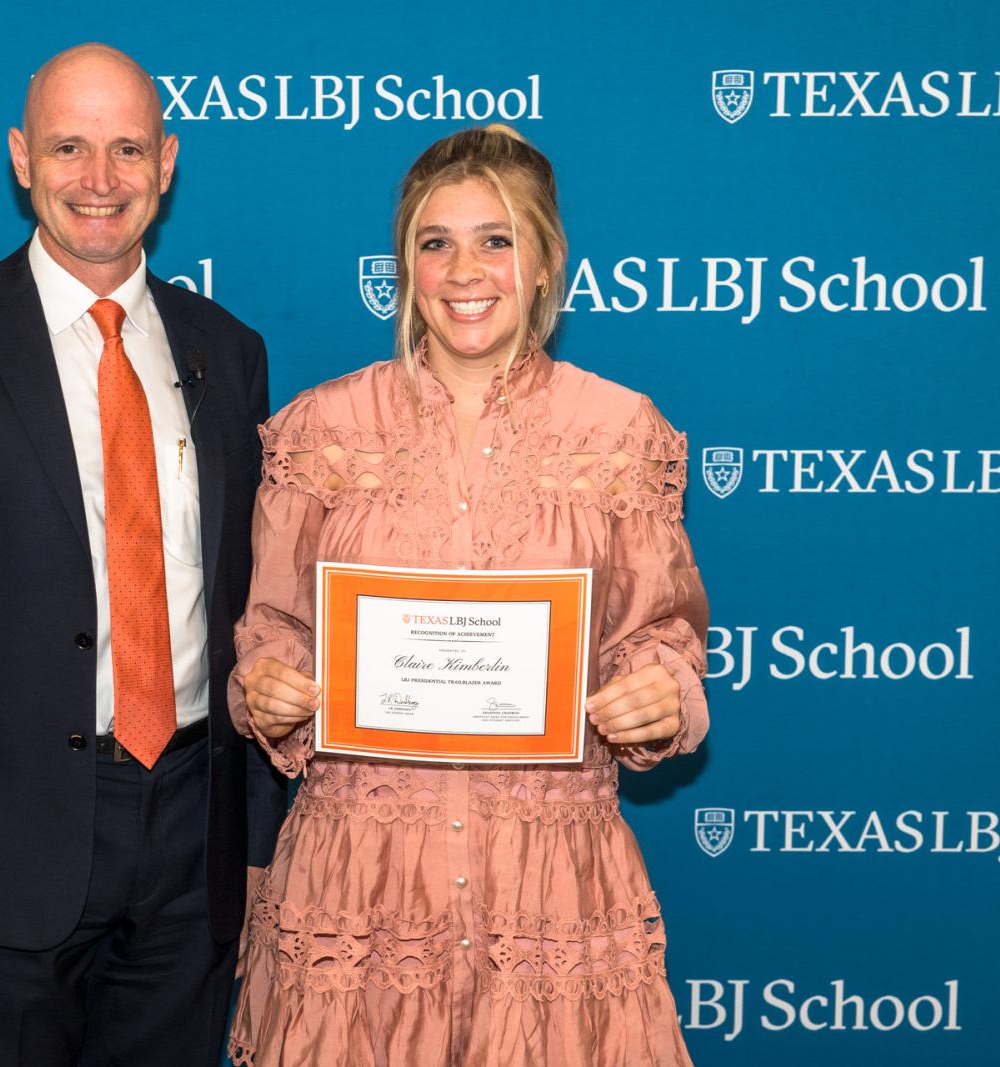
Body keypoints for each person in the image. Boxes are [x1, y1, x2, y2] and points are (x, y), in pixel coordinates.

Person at [0, 42, 285, 1066]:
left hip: (192, 848)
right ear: (20, 158)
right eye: (69, 147)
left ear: (167, 162)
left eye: (127, 148)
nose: (100, 179)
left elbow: (257, 620)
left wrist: (258, 851)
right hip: (2, 852)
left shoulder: (231, 350)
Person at [228, 125, 709, 1066]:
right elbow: (273, 631)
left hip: (550, 891)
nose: (464, 269)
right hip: (358, 896)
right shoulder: (320, 430)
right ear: (403, 265)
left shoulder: (621, 432)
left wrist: (659, 695)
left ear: (543, 264)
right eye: (434, 242)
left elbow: (661, 641)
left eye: (496, 239)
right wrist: (271, 685)